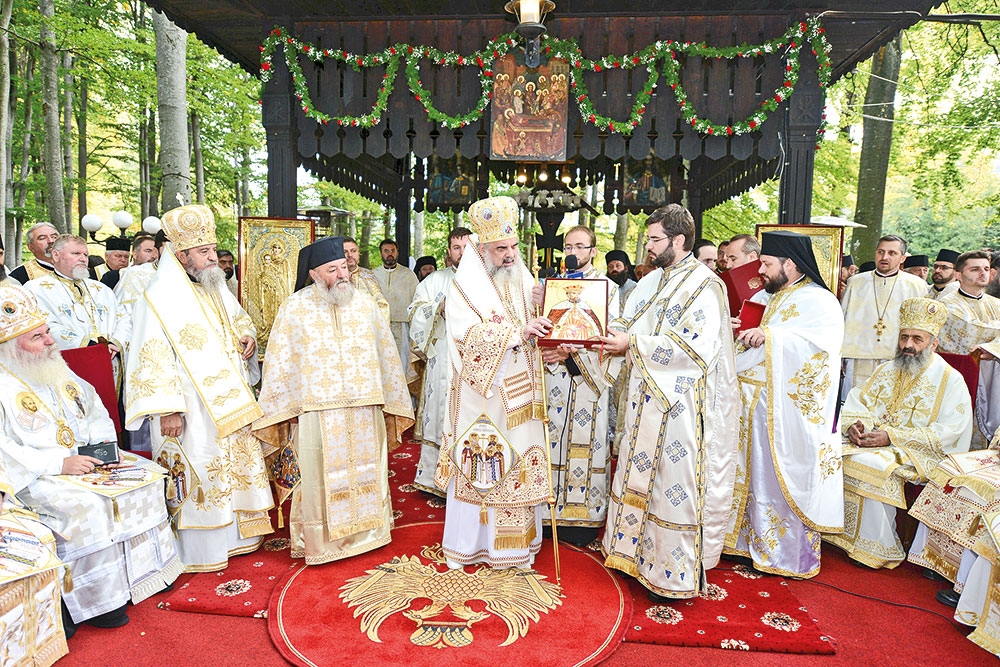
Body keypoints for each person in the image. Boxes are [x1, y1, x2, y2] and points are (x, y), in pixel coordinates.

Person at [0, 283, 180, 635]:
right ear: (10, 347)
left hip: (85, 461)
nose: (50, 341)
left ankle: (151, 574)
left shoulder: (54, 367)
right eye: (37, 337)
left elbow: (93, 407)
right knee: (90, 505)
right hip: (36, 476)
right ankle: (102, 602)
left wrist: (104, 448)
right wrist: (59, 464)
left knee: (149, 477)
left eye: (47, 332)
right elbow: (4, 449)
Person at [596, 204, 739, 600]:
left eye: (655, 239)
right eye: (648, 239)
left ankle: (669, 573)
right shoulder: (650, 281)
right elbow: (628, 321)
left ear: (679, 240)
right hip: (642, 398)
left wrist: (632, 344)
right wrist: (604, 332)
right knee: (636, 473)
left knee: (670, 484)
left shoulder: (705, 286)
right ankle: (630, 555)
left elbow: (694, 349)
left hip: (677, 405)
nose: (649, 246)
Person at [125, 204, 274, 572]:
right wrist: (167, 409)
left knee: (232, 467)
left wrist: (246, 335)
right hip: (190, 405)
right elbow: (150, 354)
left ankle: (240, 538)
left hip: (231, 400)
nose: (213, 257)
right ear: (181, 255)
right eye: (204, 251)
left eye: (212, 249)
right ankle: (203, 550)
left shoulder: (214, 284)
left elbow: (238, 318)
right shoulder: (159, 296)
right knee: (202, 468)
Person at [254, 237, 413, 564]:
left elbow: (385, 355)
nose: (342, 275)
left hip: (364, 408)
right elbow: (280, 362)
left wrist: (390, 397)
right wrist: (285, 408)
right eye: (332, 269)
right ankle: (321, 542)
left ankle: (371, 533)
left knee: (366, 472)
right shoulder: (294, 308)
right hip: (316, 412)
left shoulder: (365, 304)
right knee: (319, 479)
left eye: (344, 267)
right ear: (314, 274)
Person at [434, 196, 552, 570]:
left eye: (514, 246)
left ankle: (516, 549)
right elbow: (466, 339)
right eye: (501, 248)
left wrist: (542, 303)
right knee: (484, 467)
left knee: (518, 465)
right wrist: (517, 333)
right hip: (482, 400)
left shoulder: (522, 277)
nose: (510, 254)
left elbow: (537, 324)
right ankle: (471, 546)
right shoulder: (464, 287)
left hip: (520, 397)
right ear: (483, 249)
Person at [723, 230, 844, 578]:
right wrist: (737, 329)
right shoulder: (765, 295)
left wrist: (771, 335)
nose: (759, 271)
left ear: (790, 264)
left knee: (772, 477)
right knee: (747, 474)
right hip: (749, 405)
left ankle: (781, 552)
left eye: (766, 264)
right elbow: (749, 342)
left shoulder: (820, 301)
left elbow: (822, 347)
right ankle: (743, 541)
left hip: (784, 412)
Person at [830, 298, 972, 568]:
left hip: (919, 452)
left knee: (873, 465)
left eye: (917, 339)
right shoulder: (886, 368)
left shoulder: (950, 379)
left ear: (933, 344)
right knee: (830, 451)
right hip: (875, 441)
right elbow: (858, 401)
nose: (908, 345)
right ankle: (836, 532)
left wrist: (891, 437)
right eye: (904, 337)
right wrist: (854, 426)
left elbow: (951, 431)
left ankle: (876, 546)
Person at [539, 225, 619, 547]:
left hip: (588, 382)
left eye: (580, 246)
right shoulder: (551, 287)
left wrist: (576, 350)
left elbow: (612, 333)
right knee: (550, 441)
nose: (573, 252)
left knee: (585, 445)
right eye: (568, 247)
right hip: (553, 377)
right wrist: (549, 348)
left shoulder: (608, 289)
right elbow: (541, 328)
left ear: (593, 251)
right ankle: (546, 516)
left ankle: (581, 522)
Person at [409, 227, 472, 496]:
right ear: (448, 251)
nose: (462, 253)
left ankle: (470, 477)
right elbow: (413, 311)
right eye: (457, 248)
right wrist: (437, 308)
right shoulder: (434, 281)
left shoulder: (491, 280)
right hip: (442, 359)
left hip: (475, 364)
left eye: (467, 247)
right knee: (440, 413)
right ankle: (434, 478)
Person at [23, 235, 130, 383]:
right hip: (69, 363)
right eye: (76, 253)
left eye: (85, 254)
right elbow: (44, 325)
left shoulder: (101, 288)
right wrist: (87, 345)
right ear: (56, 255)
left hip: (109, 361)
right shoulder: (36, 288)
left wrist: (115, 343)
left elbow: (123, 318)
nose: (83, 259)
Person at [840, 234, 928, 391]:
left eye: (892, 253)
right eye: (880, 252)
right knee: (856, 402)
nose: (884, 257)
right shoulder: (855, 282)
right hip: (857, 357)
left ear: (902, 258)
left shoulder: (917, 285)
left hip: (899, 357)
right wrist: (840, 356)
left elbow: (923, 327)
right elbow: (842, 319)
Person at [936, 250, 1000, 448]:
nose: (982, 273)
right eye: (975, 269)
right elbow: (971, 332)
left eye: (986, 269)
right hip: (961, 376)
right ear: (958, 275)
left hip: (992, 377)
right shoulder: (947, 304)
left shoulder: (996, 303)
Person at [373, 239, 419, 372]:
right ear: (381, 253)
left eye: (392, 251)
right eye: (386, 251)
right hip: (380, 324)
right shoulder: (373, 275)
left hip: (402, 325)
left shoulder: (408, 275)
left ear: (397, 253)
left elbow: (417, 300)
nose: (390, 254)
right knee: (381, 360)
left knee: (401, 360)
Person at [342, 236, 390, 323]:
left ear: (358, 253)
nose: (350, 255)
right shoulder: (334, 277)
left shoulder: (368, 276)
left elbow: (382, 304)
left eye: (353, 251)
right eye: (345, 252)